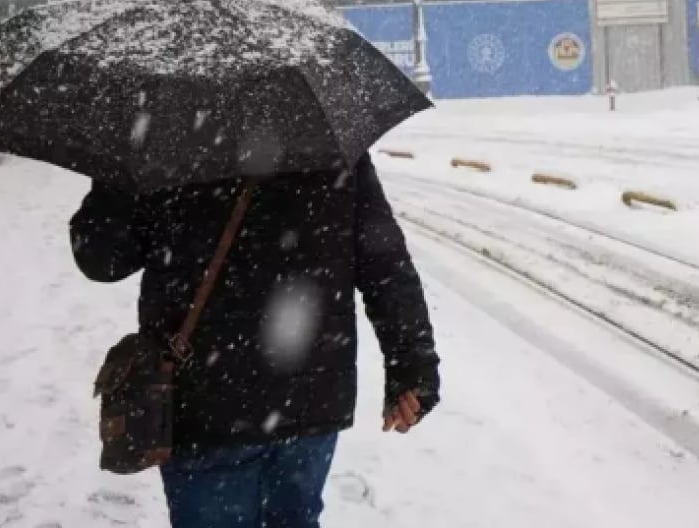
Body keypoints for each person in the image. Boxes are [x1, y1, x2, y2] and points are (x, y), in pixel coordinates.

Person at [69, 153, 440, 528]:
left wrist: (118, 169)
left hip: (206, 403)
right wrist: (414, 365)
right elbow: (385, 262)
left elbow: (101, 258)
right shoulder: (323, 129)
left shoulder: (162, 130)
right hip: (310, 399)